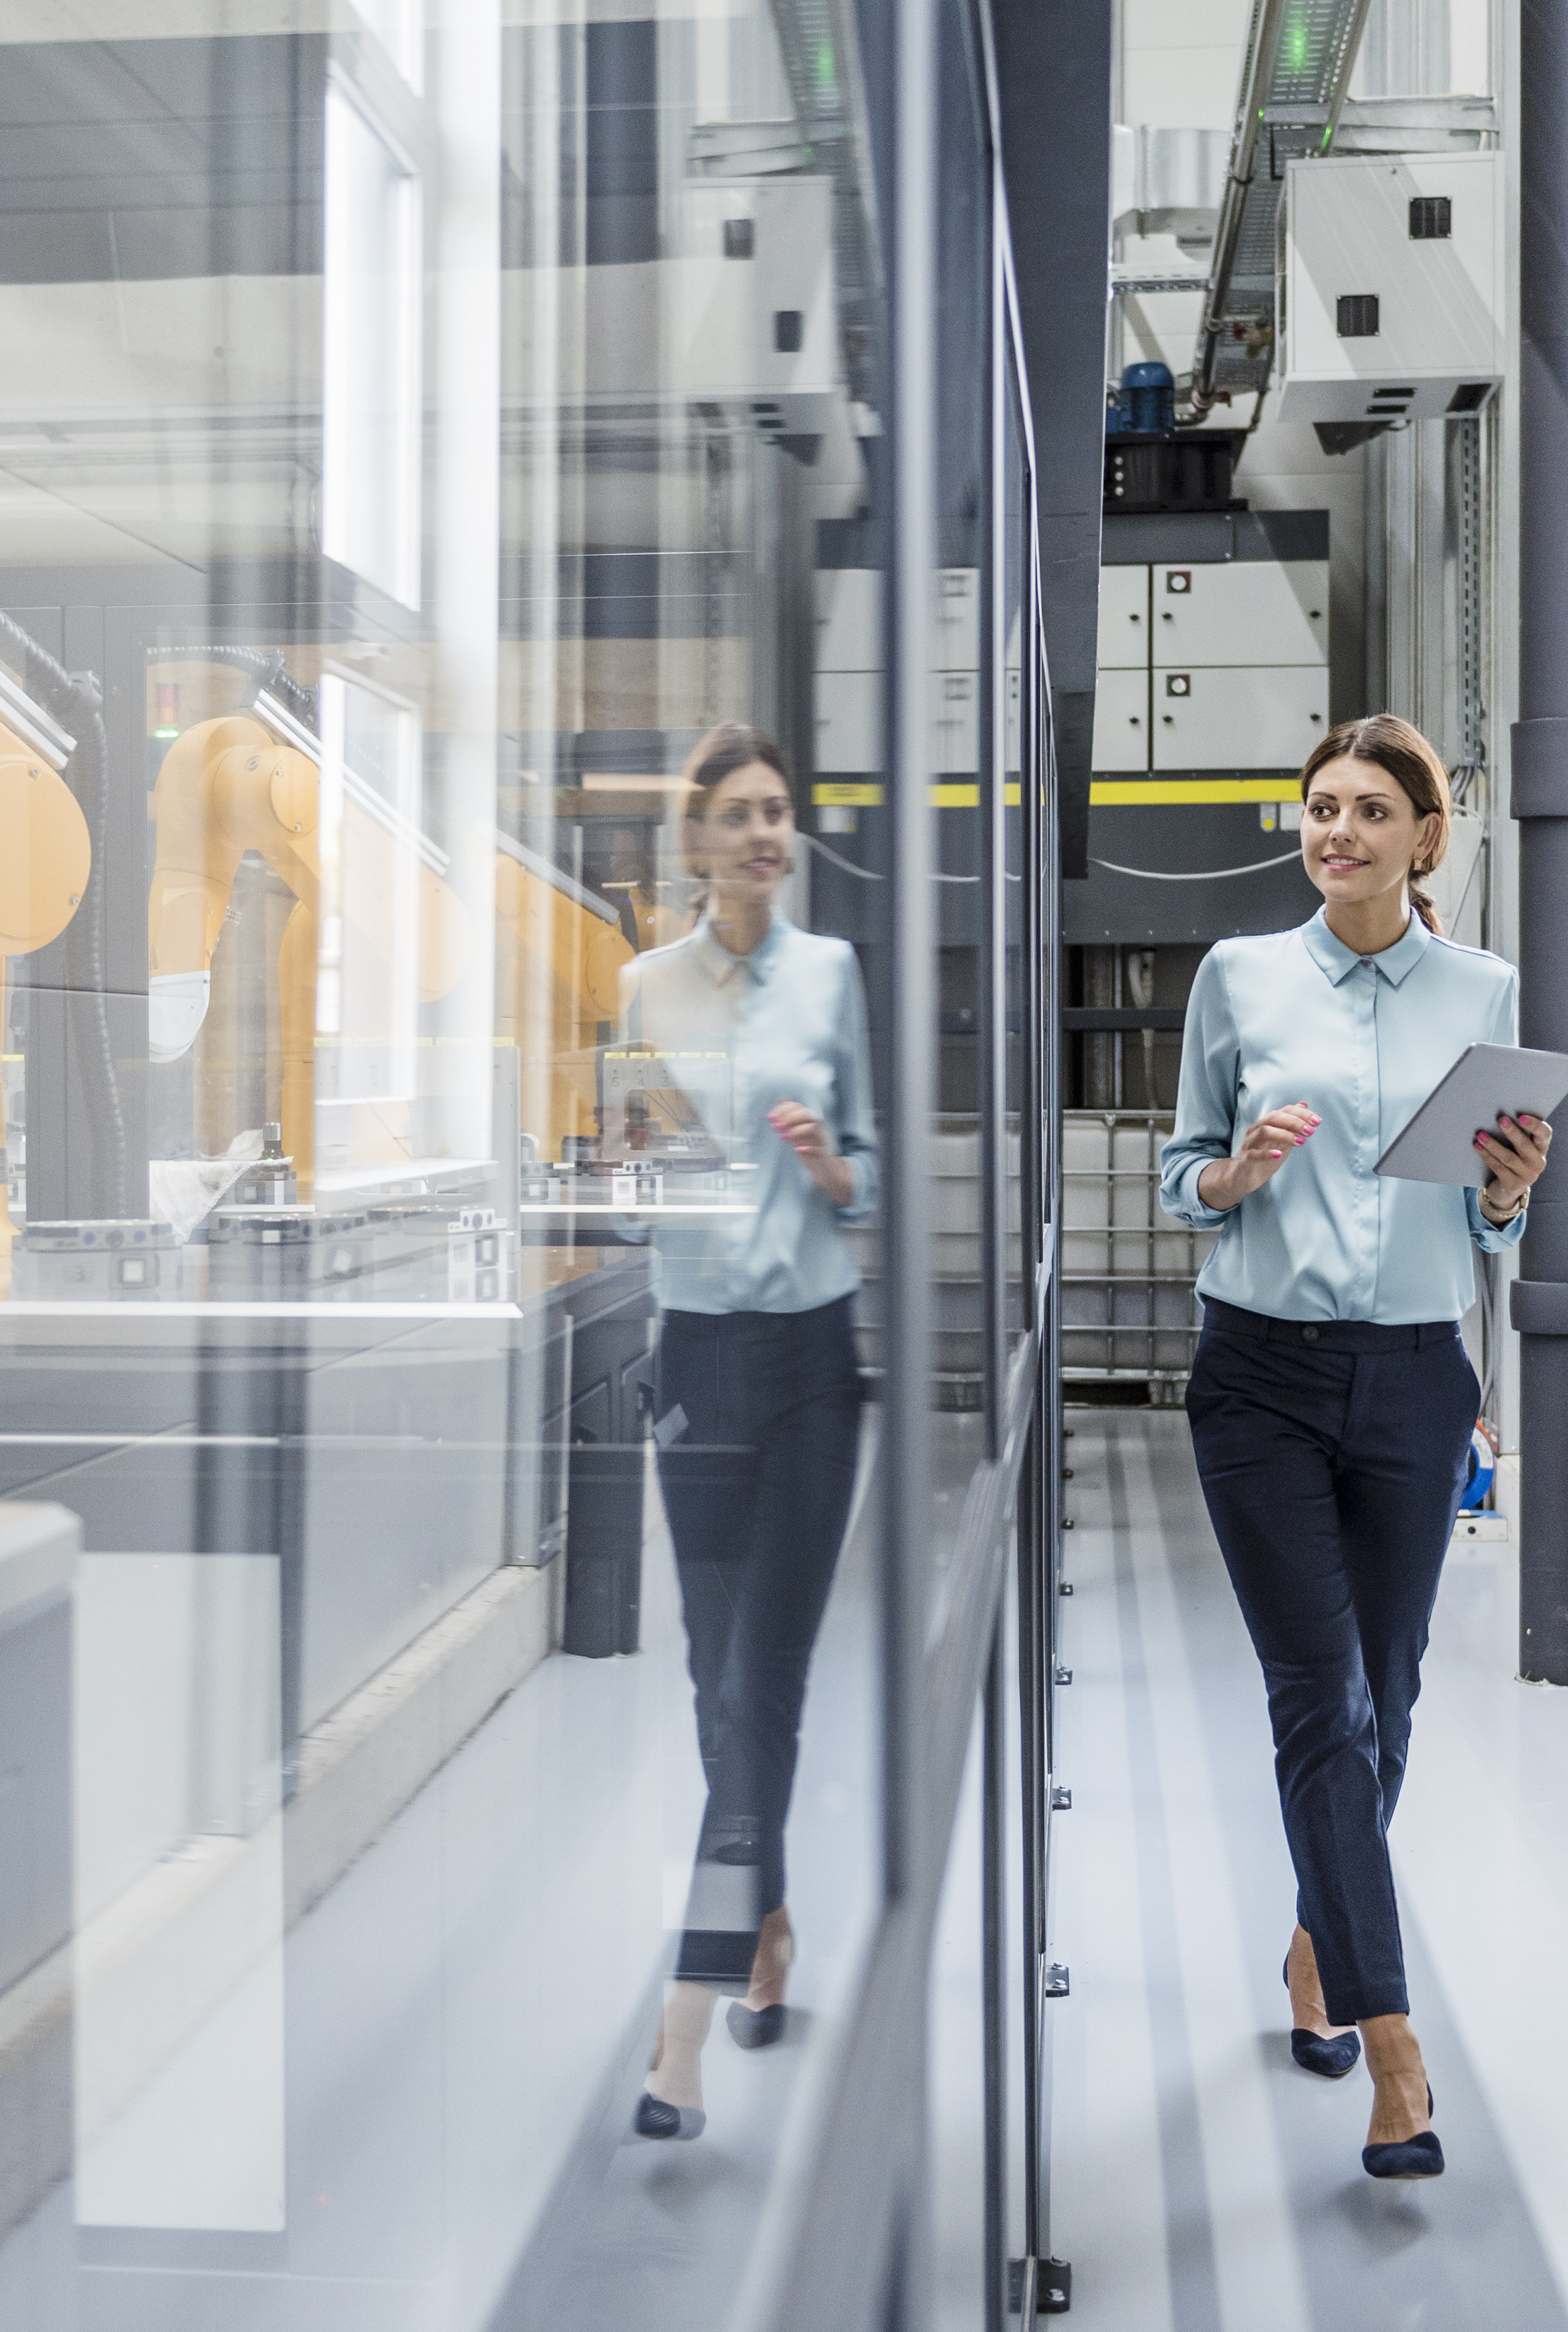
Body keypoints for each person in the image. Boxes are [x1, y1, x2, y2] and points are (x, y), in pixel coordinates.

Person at [1154, 714, 1553, 2182]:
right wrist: (1230, 1171)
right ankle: (1394, 2052)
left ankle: (1320, 1941)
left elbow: (1484, 1222)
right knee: (1318, 1697)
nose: (1335, 832)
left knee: (1387, 1694)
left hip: (1412, 1385)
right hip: (1255, 1379)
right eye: (1320, 807)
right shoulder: (1238, 978)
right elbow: (1175, 1171)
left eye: (1369, 811)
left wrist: (1512, 1194)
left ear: (1421, 838)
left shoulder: (1482, 987)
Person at [619, 723, 876, 2143]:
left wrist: (830, 1163)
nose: (767, 833)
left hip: (809, 1364)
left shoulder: (830, 975)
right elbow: (625, 1166)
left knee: (761, 1679)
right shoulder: (642, 985)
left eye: (781, 813)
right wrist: (639, 1163)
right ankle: (764, 1919)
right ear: (699, 840)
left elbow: (872, 1170)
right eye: (742, 814)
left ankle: (685, 2014)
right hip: (696, 1355)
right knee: (711, 1673)